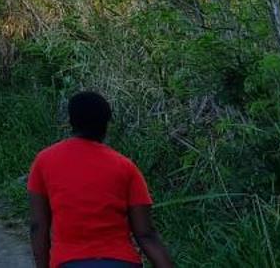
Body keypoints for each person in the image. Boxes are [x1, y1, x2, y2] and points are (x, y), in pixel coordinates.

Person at [26, 91, 175, 268]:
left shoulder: (44, 161)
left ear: (71, 122)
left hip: (69, 262)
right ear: (106, 124)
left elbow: (38, 226)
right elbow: (145, 234)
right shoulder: (126, 167)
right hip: (121, 262)